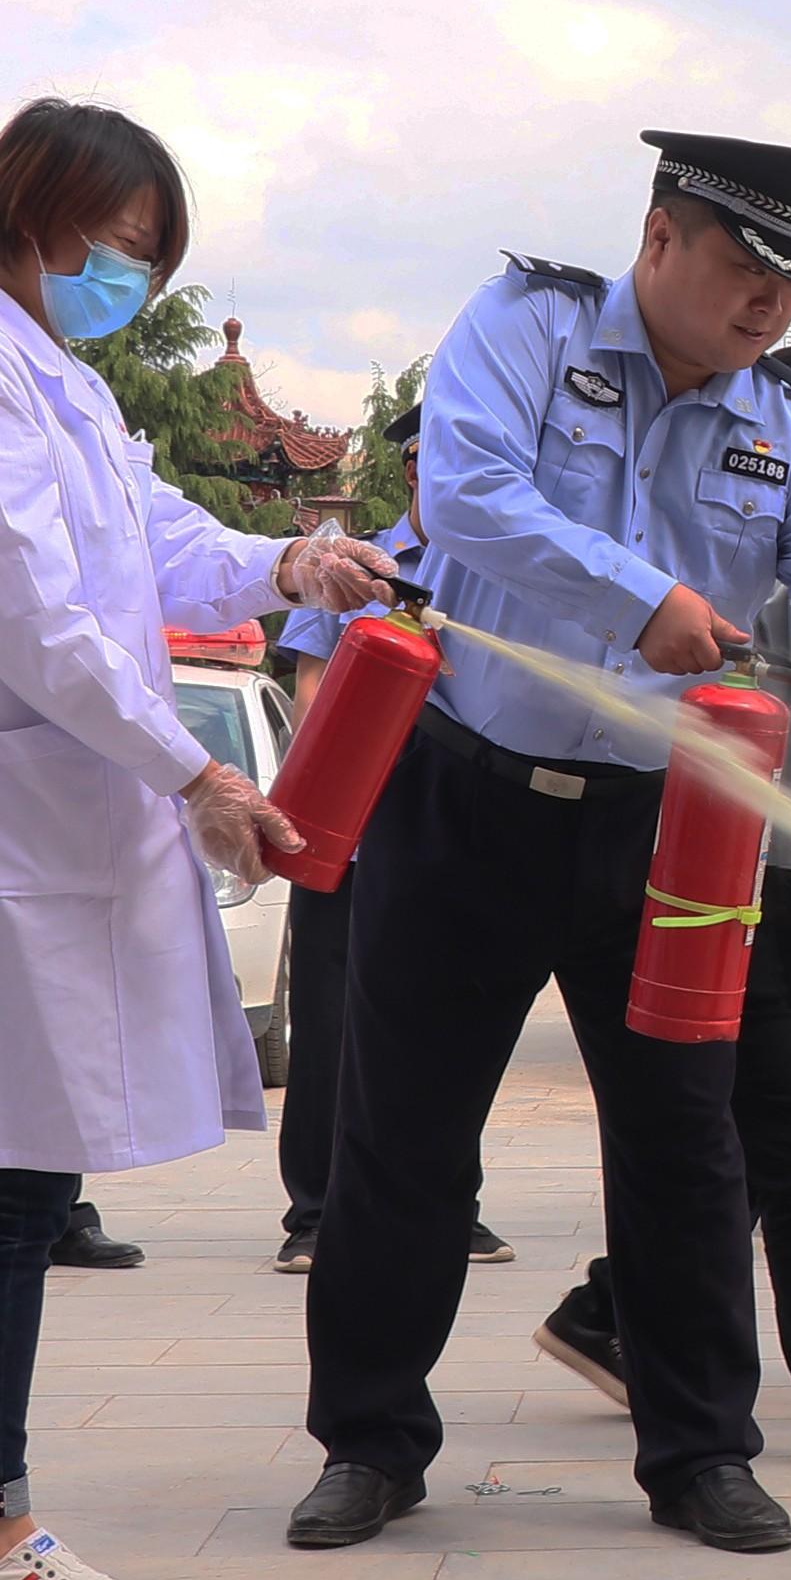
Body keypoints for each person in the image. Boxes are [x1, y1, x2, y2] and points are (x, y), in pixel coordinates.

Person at [290, 131, 791, 1560]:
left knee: (687, 1148)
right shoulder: (527, 327)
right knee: (405, 1140)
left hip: (662, 829)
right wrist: (644, 597)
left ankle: (700, 1452)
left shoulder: (787, 420)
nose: (767, 307)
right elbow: (473, 498)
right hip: (467, 799)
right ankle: (370, 1440)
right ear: (661, 238)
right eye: (744, 267)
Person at [0, 98, 393, 1580]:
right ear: (30, 215)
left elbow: (151, 539)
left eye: (149, 259)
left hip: (55, 808)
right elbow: (36, 616)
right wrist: (196, 765)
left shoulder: (54, 379)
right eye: (119, 246)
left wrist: (288, 561)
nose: (130, 276)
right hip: (1, 812)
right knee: (5, 1175)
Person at [533, 345, 791, 1478]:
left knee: (736, 1146)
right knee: (790, 1151)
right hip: (716, 881)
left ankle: (606, 1311)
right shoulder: (726, 555)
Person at [265, 405, 511, 1275]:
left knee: (454, 1025)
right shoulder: (355, 568)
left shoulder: (499, 571)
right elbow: (313, 693)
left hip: (464, 835)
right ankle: (317, 1208)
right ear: (412, 467)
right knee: (332, 1025)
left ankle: (450, 1201)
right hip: (359, 835)